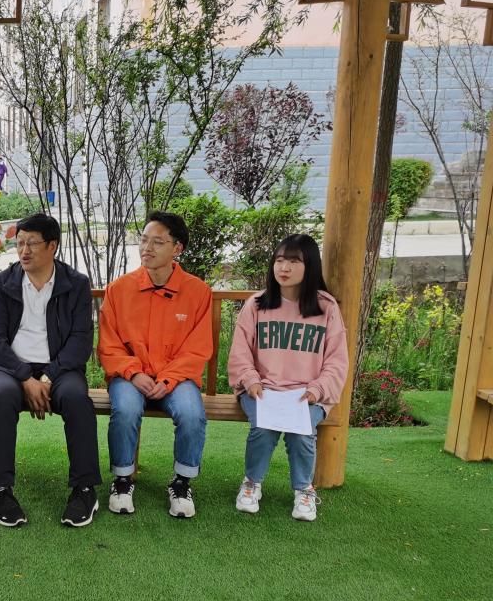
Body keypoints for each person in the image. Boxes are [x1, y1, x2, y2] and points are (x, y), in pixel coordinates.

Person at [0, 213, 100, 527]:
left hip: (59, 368)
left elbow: (80, 340)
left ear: (52, 246)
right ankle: (0, 490)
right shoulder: (3, 283)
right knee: (2, 395)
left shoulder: (75, 284)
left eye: (32, 243)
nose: (24, 251)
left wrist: (47, 377)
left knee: (76, 397)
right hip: (10, 368)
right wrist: (24, 376)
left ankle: (84, 488)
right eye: (19, 243)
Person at [98, 211, 212, 519]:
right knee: (125, 410)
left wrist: (169, 379)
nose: (147, 248)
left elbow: (197, 348)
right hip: (129, 376)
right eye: (144, 240)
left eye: (158, 242)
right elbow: (108, 344)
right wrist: (133, 373)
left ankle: (182, 482)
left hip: (176, 378)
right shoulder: (119, 289)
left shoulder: (198, 292)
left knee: (192, 414)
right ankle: (122, 480)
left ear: (178, 248)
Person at [227, 234, 348, 522]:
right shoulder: (257, 305)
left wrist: (317, 390)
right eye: (279, 260)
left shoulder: (326, 308)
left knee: (302, 431)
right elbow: (240, 353)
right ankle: (251, 483)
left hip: (307, 393)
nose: (284, 267)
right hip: (262, 389)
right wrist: (251, 380)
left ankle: (304, 489)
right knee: (263, 427)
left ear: (310, 266)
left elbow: (336, 361)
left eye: (294, 261)